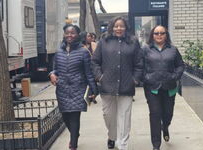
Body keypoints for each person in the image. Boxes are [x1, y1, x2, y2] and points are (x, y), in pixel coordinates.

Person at [91, 16, 143, 150]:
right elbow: (95, 61)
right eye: (116, 26)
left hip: (126, 86)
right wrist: (99, 77)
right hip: (107, 86)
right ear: (112, 27)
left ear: (126, 27)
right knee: (108, 116)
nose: (119, 28)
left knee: (124, 117)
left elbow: (139, 63)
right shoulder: (104, 41)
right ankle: (112, 136)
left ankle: (123, 145)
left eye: (121, 26)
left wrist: (135, 79)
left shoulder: (133, 42)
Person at [49, 24, 98, 150]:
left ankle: (73, 144)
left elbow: (89, 73)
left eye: (72, 33)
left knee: (74, 116)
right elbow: (54, 69)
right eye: (67, 33)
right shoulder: (59, 51)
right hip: (62, 89)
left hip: (78, 88)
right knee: (65, 116)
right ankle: (75, 134)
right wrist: (52, 74)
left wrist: (94, 90)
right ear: (64, 34)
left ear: (77, 35)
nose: (69, 35)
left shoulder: (83, 52)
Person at [142, 25, 185, 150]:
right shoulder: (146, 49)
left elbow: (180, 66)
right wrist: (146, 78)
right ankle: (156, 145)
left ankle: (165, 126)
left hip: (169, 86)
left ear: (166, 35)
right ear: (152, 35)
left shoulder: (173, 49)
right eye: (156, 33)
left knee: (168, 113)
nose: (159, 35)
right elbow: (140, 66)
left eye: (162, 33)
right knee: (155, 114)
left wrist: (175, 76)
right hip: (152, 87)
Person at [80, 31, 98, 104]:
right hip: (85, 67)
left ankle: (93, 95)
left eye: (90, 36)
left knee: (94, 82)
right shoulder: (81, 46)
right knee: (88, 83)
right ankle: (89, 96)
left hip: (94, 67)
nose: (90, 38)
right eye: (88, 36)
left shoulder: (94, 45)